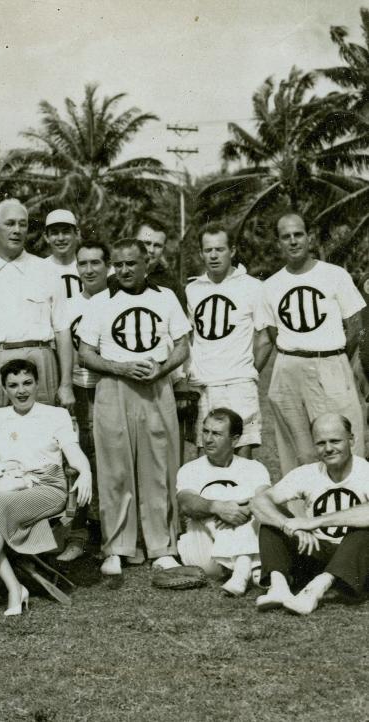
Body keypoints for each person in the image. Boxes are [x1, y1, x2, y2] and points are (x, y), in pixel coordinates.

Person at [77, 239, 191, 581]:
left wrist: (162, 367)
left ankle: (162, 548)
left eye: (132, 264)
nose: (125, 270)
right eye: (119, 264)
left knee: (159, 465)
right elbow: (86, 352)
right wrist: (120, 368)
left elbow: (183, 345)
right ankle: (117, 548)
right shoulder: (100, 303)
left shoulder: (165, 297)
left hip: (156, 388)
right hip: (114, 388)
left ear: (146, 264)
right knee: (115, 471)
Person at [0, 358, 92, 620]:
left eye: (28, 383)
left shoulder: (55, 415)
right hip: (8, 487)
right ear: (5, 389)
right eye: (13, 385)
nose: (21, 391)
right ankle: (14, 587)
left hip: (46, 488)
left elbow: (74, 453)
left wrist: (85, 471)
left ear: (38, 384)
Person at [262, 213, 365, 474]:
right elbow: (274, 331)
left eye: (298, 234)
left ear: (309, 238)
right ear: (278, 243)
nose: (293, 241)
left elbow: (355, 327)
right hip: (288, 369)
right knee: (299, 452)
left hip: (331, 363)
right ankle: (302, 513)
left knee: (344, 442)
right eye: (286, 236)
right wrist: (298, 352)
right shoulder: (270, 285)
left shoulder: (335, 275)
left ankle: (351, 509)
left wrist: (332, 357)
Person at [0, 199, 75, 424]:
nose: (17, 230)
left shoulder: (46, 271)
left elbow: (62, 331)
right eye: (10, 223)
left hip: (39, 363)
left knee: (42, 439)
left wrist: (66, 384)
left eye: (23, 224)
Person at [251, 414, 369, 614]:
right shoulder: (307, 473)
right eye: (321, 443)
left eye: (335, 441)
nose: (329, 448)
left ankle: (316, 590)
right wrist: (289, 526)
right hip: (317, 553)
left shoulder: (365, 471)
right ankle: (279, 587)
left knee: (364, 532)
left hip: (358, 562)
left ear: (352, 439)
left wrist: (313, 523)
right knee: (272, 516)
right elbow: (259, 501)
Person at [185, 225, 272, 458]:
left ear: (232, 251)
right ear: (201, 253)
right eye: (208, 250)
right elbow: (190, 336)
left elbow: (265, 337)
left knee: (241, 455)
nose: (213, 256)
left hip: (239, 384)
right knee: (206, 454)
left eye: (220, 249)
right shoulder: (192, 289)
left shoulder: (253, 287)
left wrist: (248, 371)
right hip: (204, 384)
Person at [54, 241, 111, 562]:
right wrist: (65, 387)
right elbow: (61, 347)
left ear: (108, 266)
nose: (89, 270)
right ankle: (78, 531)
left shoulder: (115, 300)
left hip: (109, 389)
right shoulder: (68, 304)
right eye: (83, 264)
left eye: (96, 263)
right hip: (78, 389)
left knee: (109, 460)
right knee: (77, 461)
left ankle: (109, 531)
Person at [176, 409, 271, 596]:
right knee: (216, 493)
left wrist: (241, 509)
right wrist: (218, 507)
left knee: (253, 502)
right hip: (206, 555)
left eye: (217, 434)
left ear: (234, 440)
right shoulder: (190, 469)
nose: (208, 439)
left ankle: (241, 571)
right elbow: (186, 503)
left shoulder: (253, 467)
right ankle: (252, 566)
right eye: (205, 431)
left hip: (239, 542)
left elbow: (267, 501)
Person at [43, 209, 83, 299]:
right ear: (46, 237)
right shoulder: (38, 269)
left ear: (77, 234)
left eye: (66, 232)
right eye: (54, 233)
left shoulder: (88, 266)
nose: (60, 238)